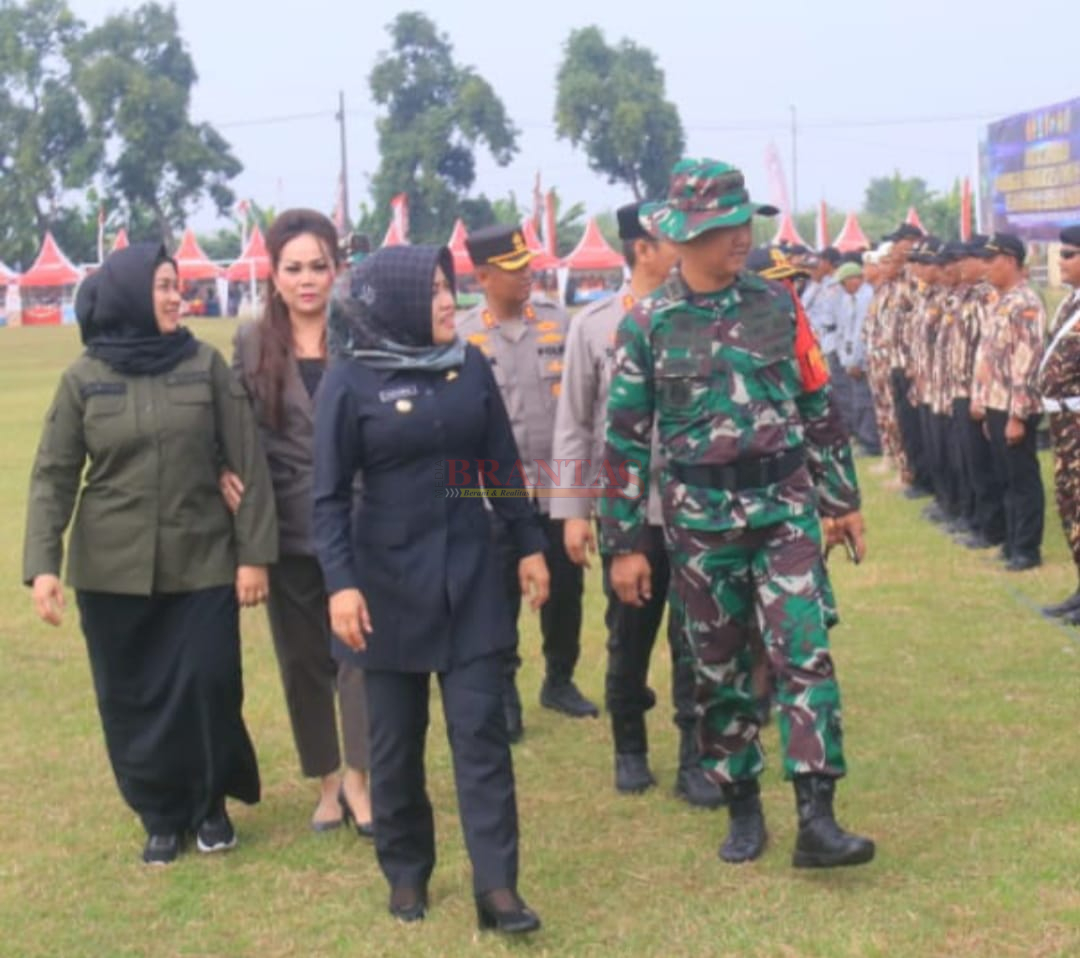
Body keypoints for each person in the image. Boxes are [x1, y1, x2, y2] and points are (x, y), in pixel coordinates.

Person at [599, 158, 875, 869]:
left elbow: (816, 403)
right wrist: (624, 543)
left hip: (784, 510)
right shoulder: (648, 326)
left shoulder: (778, 305)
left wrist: (842, 501)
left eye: (742, 225)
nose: (738, 240)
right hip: (700, 524)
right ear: (685, 237)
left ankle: (818, 816)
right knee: (718, 668)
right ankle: (742, 806)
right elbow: (625, 440)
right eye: (722, 228)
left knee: (804, 653)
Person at [312, 245, 548, 933]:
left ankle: (498, 889)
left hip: (471, 577)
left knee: (481, 736)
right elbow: (325, 498)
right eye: (437, 291)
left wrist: (529, 545)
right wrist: (340, 586)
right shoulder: (351, 380)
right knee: (395, 744)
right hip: (383, 589)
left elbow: (500, 463)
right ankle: (407, 870)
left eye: (449, 288)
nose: (449, 302)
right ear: (400, 302)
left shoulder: (467, 364)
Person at [22, 243, 277, 865]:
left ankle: (211, 803)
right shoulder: (83, 379)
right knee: (130, 696)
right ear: (131, 295)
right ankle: (161, 814)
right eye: (162, 286)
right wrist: (43, 567)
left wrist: (253, 555)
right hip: (112, 571)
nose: (173, 297)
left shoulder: (203, 364)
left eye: (176, 285)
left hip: (203, 561)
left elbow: (247, 459)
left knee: (210, 684)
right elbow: (53, 474)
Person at [551, 202, 723, 805]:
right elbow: (573, 424)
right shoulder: (594, 324)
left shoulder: (699, 315)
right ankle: (629, 746)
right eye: (669, 238)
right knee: (629, 631)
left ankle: (694, 757)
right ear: (642, 249)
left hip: (695, 504)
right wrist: (572, 511)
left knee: (696, 636)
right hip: (627, 509)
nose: (684, 245)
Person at [224, 209, 372, 834]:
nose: (307, 280)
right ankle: (328, 782)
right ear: (274, 275)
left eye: (318, 266)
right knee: (302, 661)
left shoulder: (363, 335)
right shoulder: (252, 343)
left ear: (336, 270)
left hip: (361, 521)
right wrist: (220, 473)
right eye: (294, 268)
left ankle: (364, 780)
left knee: (360, 653)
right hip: (284, 525)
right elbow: (231, 429)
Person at [458, 224, 597, 742]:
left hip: (559, 485)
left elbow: (583, 411)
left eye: (528, 266)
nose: (527, 276)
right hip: (495, 495)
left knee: (567, 589)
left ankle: (559, 679)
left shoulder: (562, 324)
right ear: (483, 276)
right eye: (515, 270)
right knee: (497, 596)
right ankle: (504, 691)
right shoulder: (462, 334)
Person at [970, 233, 1046, 571]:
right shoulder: (1000, 301)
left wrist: (1018, 414)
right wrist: (986, 405)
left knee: (1022, 478)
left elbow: (1026, 362)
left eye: (993, 260)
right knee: (1004, 476)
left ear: (1012, 261)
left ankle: (1027, 549)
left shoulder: (1025, 302)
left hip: (1016, 405)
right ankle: (1013, 541)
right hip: (997, 403)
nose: (987, 267)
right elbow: (989, 359)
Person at [1038, 225, 1080, 620]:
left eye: (1069, 254)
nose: (1061, 261)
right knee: (1070, 504)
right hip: (1063, 423)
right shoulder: (1070, 304)